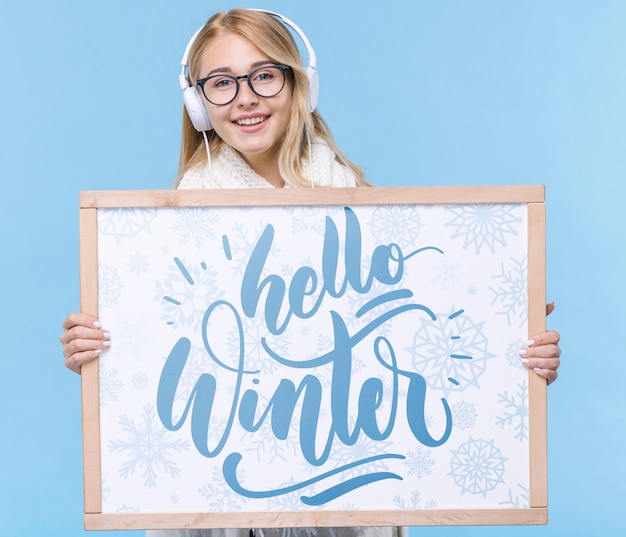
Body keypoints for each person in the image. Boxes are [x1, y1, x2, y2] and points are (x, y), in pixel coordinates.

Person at [60, 8, 562, 537]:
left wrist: (510, 342)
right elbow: (169, 367)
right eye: (222, 83)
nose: (246, 97)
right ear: (199, 102)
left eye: (264, 75)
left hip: (344, 487)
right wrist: (102, 358)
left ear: (299, 85)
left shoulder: (370, 215)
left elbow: (409, 346)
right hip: (218, 495)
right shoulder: (172, 240)